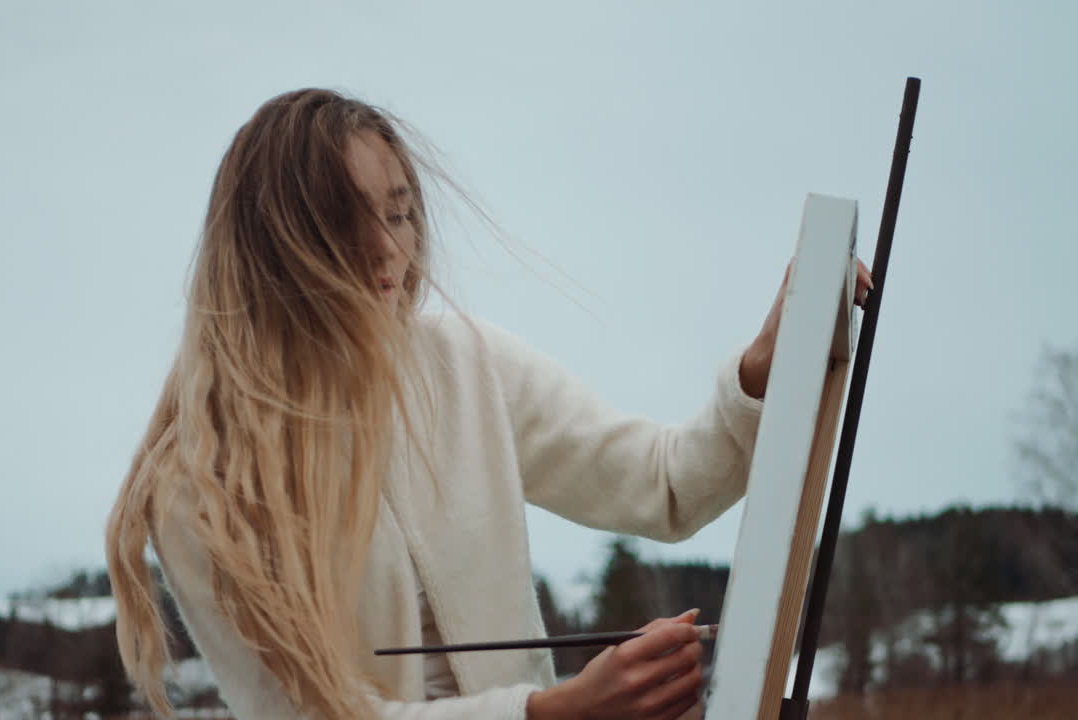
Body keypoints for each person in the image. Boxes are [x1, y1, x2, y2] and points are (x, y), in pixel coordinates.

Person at [105, 88, 872, 720]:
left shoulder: (464, 362)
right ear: (274, 240)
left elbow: (665, 483)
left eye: (399, 210)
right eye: (345, 217)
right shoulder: (200, 484)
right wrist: (550, 714)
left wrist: (765, 368)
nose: (387, 249)